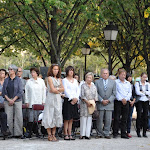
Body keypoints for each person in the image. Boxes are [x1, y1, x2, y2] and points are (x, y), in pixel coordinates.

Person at [42, 64, 64, 141]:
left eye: (57, 69)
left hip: (57, 99)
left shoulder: (59, 79)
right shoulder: (49, 78)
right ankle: (49, 134)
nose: (56, 71)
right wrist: (58, 90)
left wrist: (56, 89)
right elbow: (51, 89)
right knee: (49, 115)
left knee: (56, 115)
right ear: (51, 70)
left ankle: (54, 134)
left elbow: (63, 88)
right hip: (50, 99)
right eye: (54, 69)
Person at [2, 65, 23, 138]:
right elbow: (4, 91)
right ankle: (9, 133)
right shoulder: (6, 80)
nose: (9, 71)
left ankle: (18, 133)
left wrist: (13, 99)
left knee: (18, 117)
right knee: (8, 117)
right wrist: (9, 100)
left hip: (17, 100)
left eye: (10, 69)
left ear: (14, 71)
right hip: (7, 100)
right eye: (8, 69)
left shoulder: (18, 80)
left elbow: (20, 91)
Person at [25, 67, 46, 137]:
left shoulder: (41, 81)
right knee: (31, 117)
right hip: (31, 101)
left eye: (34, 72)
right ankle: (30, 132)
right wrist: (27, 101)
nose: (32, 74)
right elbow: (26, 92)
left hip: (40, 101)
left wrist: (44, 101)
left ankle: (38, 132)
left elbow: (44, 91)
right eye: (31, 72)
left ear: (37, 73)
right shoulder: (29, 82)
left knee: (39, 117)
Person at [95, 69, 116, 139]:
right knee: (99, 120)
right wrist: (101, 100)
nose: (105, 74)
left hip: (109, 104)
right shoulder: (97, 82)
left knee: (108, 119)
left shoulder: (113, 82)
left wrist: (109, 100)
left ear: (108, 74)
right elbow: (96, 93)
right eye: (104, 73)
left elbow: (114, 93)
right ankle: (99, 133)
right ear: (101, 74)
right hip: (100, 103)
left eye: (106, 73)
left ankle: (107, 133)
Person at [113, 69, 132, 139]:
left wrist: (126, 99)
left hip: (126, 101)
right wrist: (121, 99)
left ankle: (123, 133)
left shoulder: (128, 83)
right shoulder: (116, 82)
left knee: (125, 118)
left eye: (124, 75)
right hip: (118, 101)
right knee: (117, 118)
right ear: (119, 75)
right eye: (122, 74)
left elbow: (129, 93)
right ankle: (115, 132)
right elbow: (115, 92)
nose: (123, 76)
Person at [62, 66, 79, 140]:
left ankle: (70, 133)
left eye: (72, 70)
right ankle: (65, 133)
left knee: (71, 118)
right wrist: (71, 98)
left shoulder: (75, 81)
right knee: (67, 118)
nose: (71, 72)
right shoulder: (64, 80)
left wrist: (76, 98)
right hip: (68, 100)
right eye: (70, 71)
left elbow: (77, 90)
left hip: (75, 100)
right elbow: (65, 90)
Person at [80, 72, 98, 139]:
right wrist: (87, 102)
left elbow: (96, 96)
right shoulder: (83, 86)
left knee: (89, 119)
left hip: (91, 104)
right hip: (84, 104)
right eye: (88, 77)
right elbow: (82, 95)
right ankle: (82, 134)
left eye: (90, 78)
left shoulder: (94, 86)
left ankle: (87, 134)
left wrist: (93, 102)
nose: (89, 79)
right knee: (83, 118)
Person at [135, 72, 150, 137]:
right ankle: (138, 131)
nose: (144, 78)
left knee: (145, 116)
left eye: (145, 77)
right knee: (139, 116)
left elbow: (149, 92)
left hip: (146, 100)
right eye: (143, 77)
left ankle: (144, 132)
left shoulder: (148, 84)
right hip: (140, 101)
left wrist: (143, 92)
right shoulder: (137, 83)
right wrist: (145, 93)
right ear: (141, 77)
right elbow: (137, 92)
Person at [0, 69, 11, 137]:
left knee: (4, 115)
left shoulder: (7, 82)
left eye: (3, 73)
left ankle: (4, 131)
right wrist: (3, 93)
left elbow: (9, 92)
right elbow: (4, 93)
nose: (1, 74)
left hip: (5, 102)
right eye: (0, 73)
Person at [126, 73, 136, 138]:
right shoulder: (125, 85)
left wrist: (133, 101)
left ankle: (128, 131)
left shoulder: (132, 85)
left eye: (131, 77)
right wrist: (129, 101)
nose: (130, 78)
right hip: (127, 101)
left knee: (129, 117)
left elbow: (134, 94)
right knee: (125, 117)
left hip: (132, 102)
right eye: (128, 77)